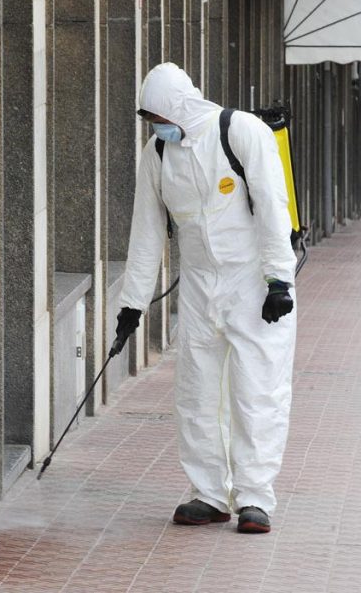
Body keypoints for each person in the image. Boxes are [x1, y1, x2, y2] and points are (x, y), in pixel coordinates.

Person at [115, 62, 297, 534]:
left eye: (158, 117)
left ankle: (255, 498)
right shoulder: (157, 154)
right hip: (198, 284)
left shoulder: (241, 132)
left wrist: (279, 280)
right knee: (196, 391)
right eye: (150, 121)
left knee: (257, 390)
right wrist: (132, 303)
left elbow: (273, 204)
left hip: (253, 281)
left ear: (179, 107)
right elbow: (147, 231)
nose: (156, 127)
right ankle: (209, 493)